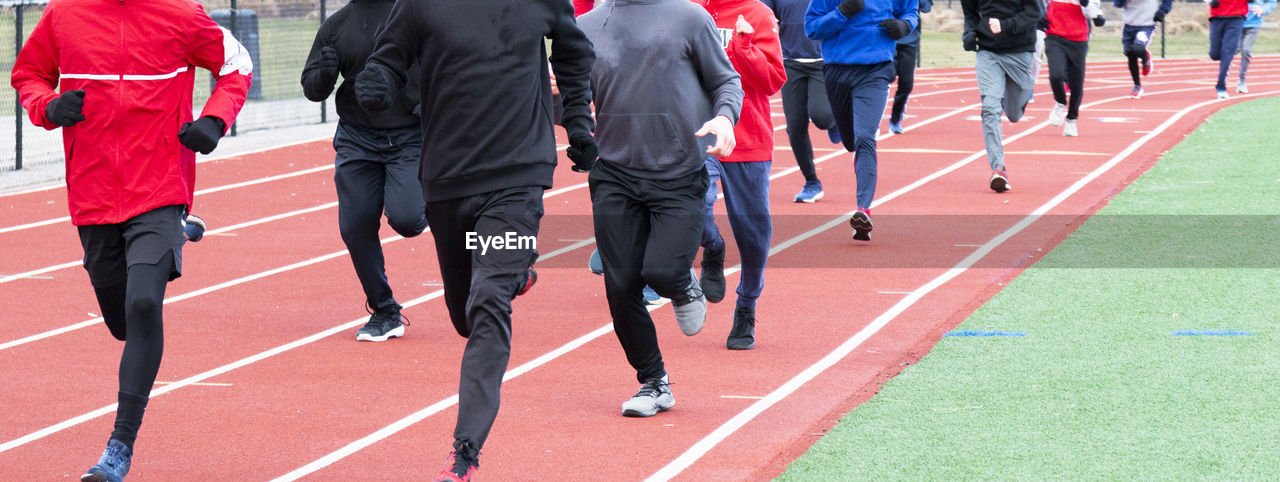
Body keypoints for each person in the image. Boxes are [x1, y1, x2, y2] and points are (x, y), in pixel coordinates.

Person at [10, 0, 252, 479]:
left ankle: (118, 449)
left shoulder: (182, 15)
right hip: (94, 195)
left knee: (144, 305)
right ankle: (173, 241)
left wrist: (215, 120)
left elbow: (236, 64)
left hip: (159, 187)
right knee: (124, 324)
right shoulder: (64, 14)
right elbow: (28, 75)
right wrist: (49, 107)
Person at [353, 0, 594, 479]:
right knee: (464, 315)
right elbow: (387, 56)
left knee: (488, 302)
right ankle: (515, 271)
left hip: (518, 175)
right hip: (447, 177)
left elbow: (573, 53)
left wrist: (580, 125)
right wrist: (376, 81)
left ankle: (465, 452)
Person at [577, 0, 743, 418]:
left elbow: (727, 81)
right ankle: (654, 382)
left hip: (678, 173)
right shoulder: (585, 25)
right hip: (614, 174)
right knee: (620, 286)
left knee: (663, 272)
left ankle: (682, 284)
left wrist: (725, 118)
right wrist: (577, 126)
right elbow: (572, 92)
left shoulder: (689, 17)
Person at [300, 0, 428, 342]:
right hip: (357, 138)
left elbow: (448, 66)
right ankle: (385, 310)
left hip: (410, 136)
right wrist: (325, 74)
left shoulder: (415, 14)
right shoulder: (337, 25)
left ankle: (439, 200)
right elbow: (312, 89)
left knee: (408, 220)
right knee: (355, 227)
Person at [695, 0, 786, 350]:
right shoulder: (687, 10)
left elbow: (772, 81)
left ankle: (746, 304)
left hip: (748, 139)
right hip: (700, 134)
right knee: (696, 204)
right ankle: (713, 247)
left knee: (753, 233)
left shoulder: (758, 14)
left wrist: (744, 46)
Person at [806, 0, 920, 240]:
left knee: (865, 138)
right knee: (851, 142)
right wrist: (842, 12)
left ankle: (863, 210)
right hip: (837, 68)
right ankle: (842, 131)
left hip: (875, 69)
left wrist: (904, 26)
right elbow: (812, 28)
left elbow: (910, 12)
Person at [761, 0, 843, 203]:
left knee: (821, 116)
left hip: (823, 61)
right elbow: (760, 12)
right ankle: (812, 182)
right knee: (795, 127)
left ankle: (836, 122)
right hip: (790, 63)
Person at [960, 0, 1043, 193]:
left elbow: (1035, 12)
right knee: (990, 107)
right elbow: (971, 15)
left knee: (1014, 114)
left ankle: (1019, 93)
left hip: (1020, 50)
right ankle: (998, 169)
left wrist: (1006, 26)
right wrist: (970, 34)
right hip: (988, 52)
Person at [1043, 0, 1105, 136]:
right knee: (1056, 75)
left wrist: (1085, 3)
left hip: (1078, 39)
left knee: (1076, 84)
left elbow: (1093, 14)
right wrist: (1041, 15)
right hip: (1055, 35)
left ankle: (1071, 119)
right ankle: (1060, 102)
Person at [888, 0, 935, 134]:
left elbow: (926, 7)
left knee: (907, 84)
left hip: (909, 39)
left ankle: (895, 119)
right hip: (886, 37)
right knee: (885, 76)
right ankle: (870, 120)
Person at [1113, 0, 1173, 99]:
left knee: (1138, 47)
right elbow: (1117, 4)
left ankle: (1145, 58)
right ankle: (1137, 86)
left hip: (1147, 23)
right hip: (1129, 23)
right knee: (1130, 54)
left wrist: (1162, 11)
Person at [1208, 0, 1248, 99]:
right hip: (1217, 17)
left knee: (1227, 53)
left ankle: (1221, 87)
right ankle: (1223, 62)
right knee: (1214, 54)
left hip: (1236, 17)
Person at [1236, 0, 1276, 93]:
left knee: (1246, 50)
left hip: (1253, 24)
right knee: (1232, 50)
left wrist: (1263, 9)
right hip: (1236, 21)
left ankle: (1241, 81)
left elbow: (1272, 2)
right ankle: (1222, 81)